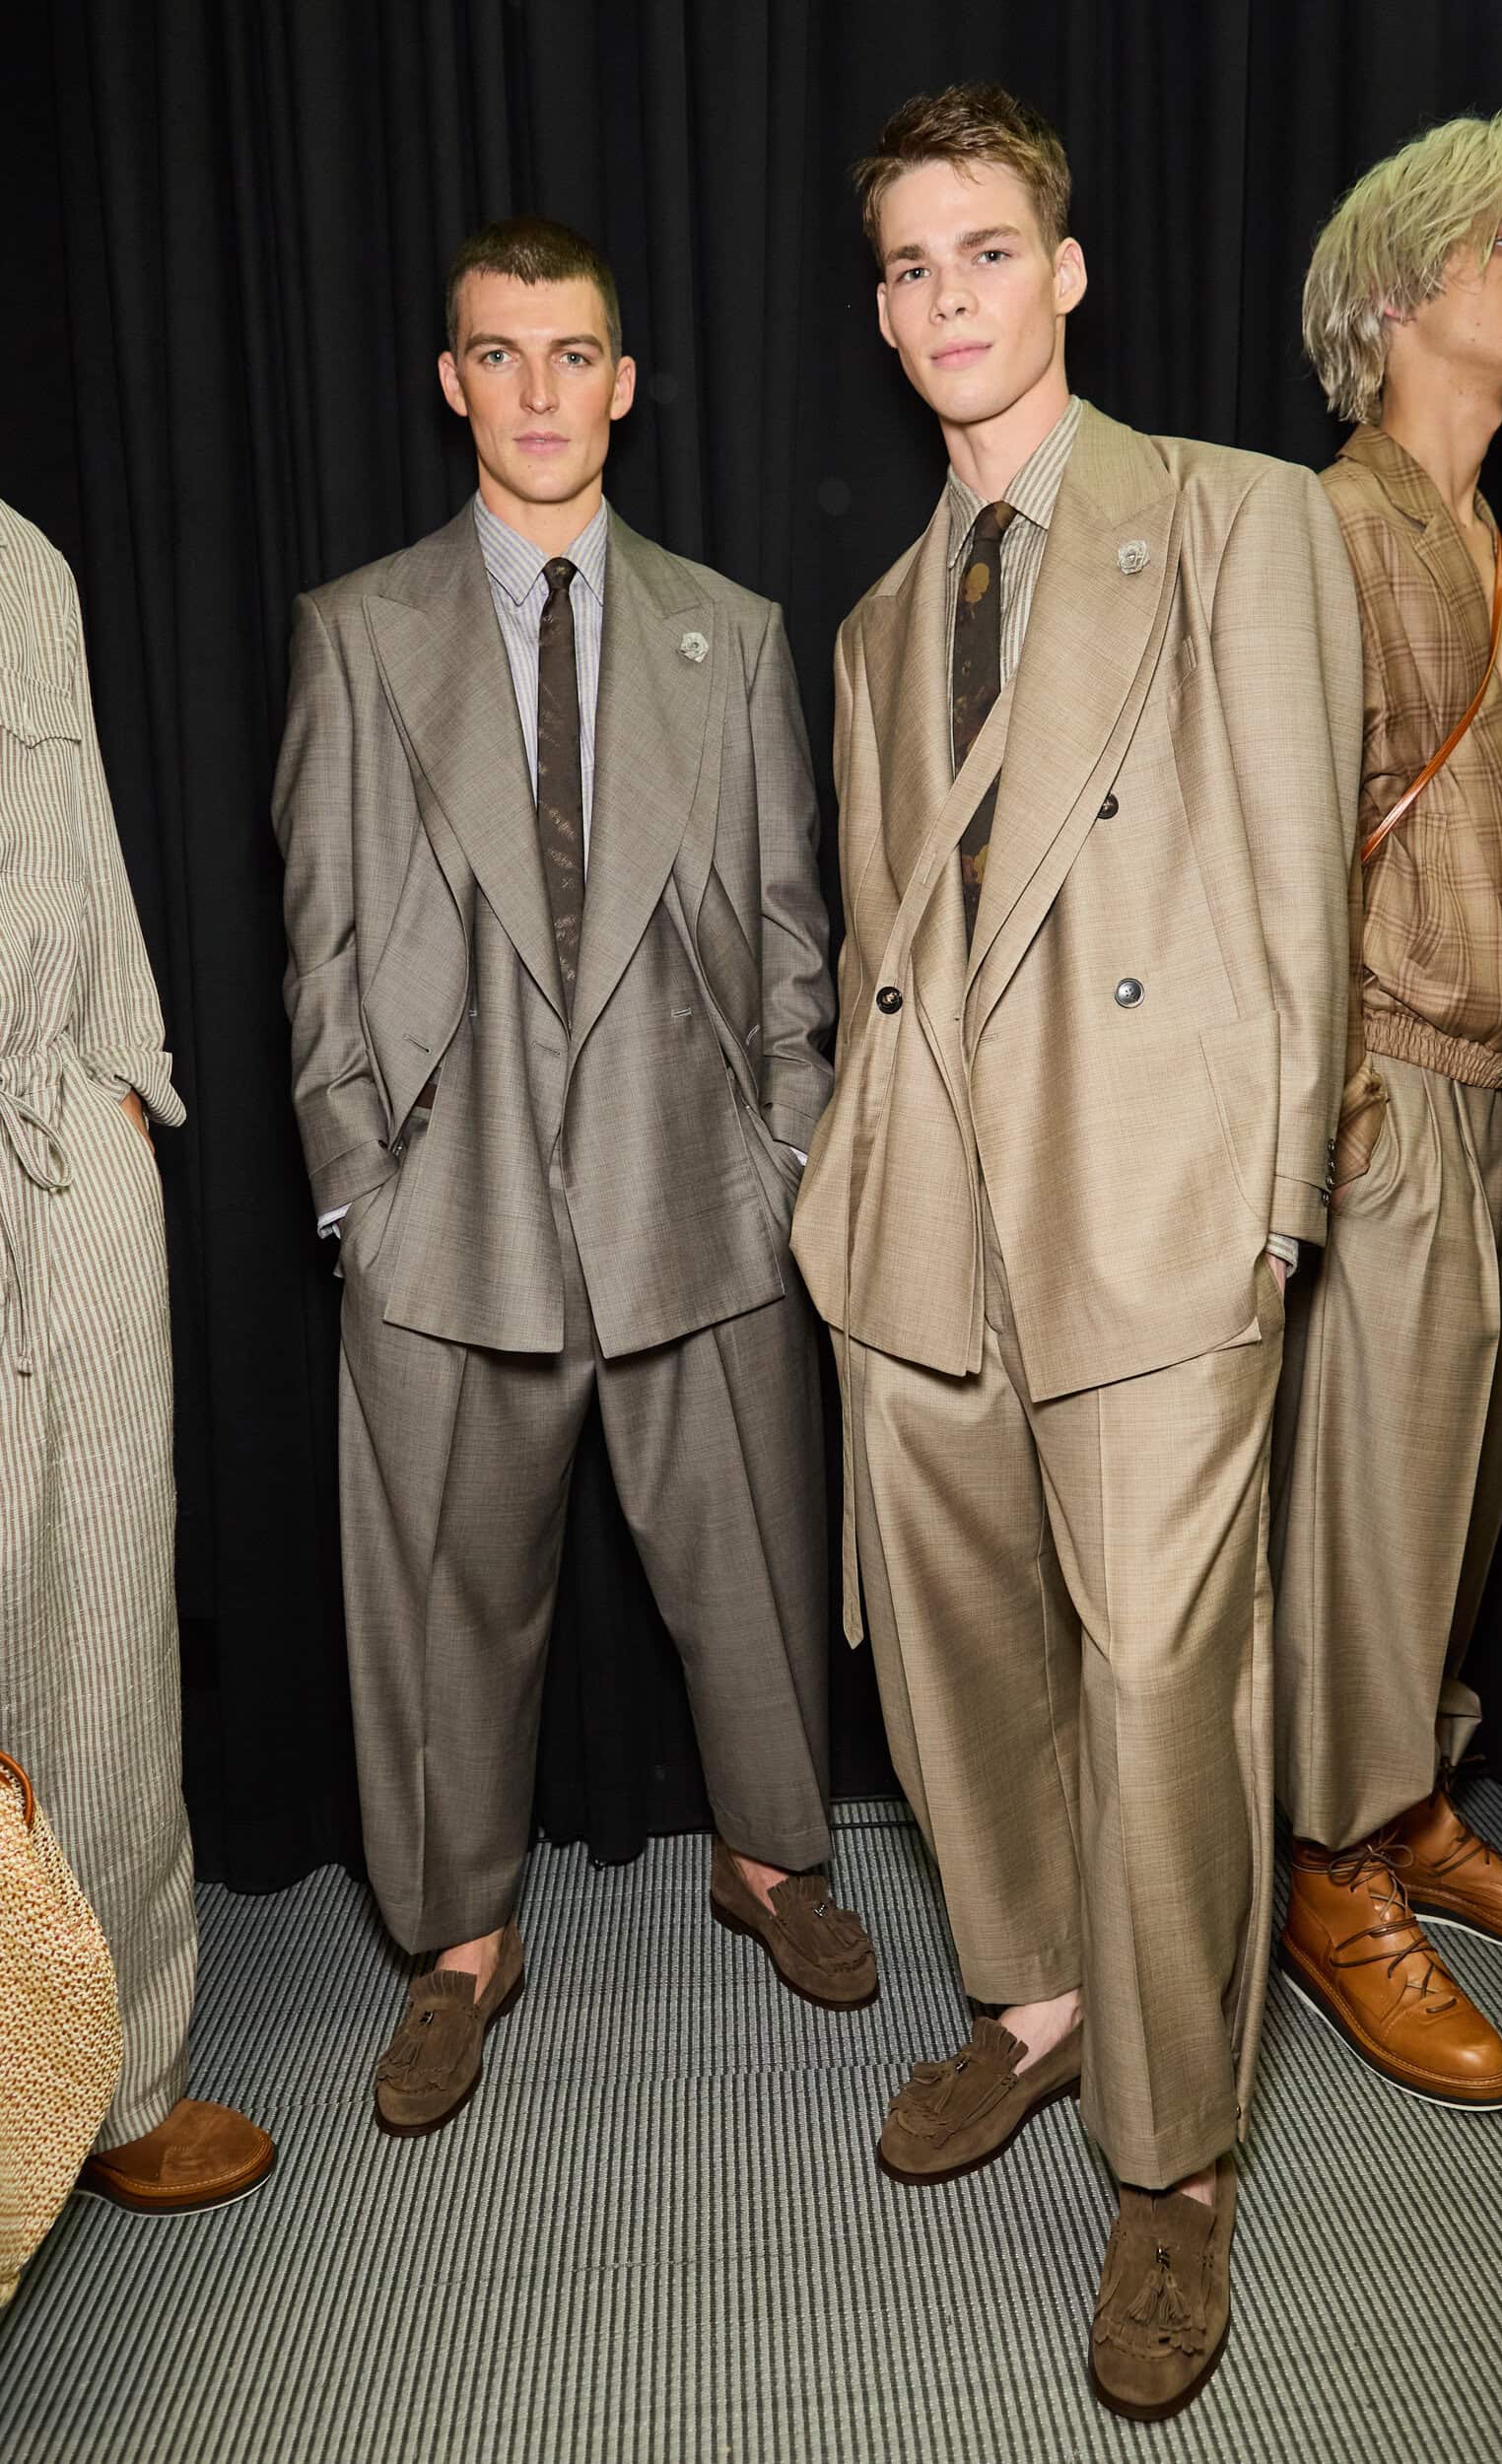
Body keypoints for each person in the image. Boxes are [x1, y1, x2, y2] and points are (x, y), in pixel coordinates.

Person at [789, 87, 1360, 2422]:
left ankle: (1176, 2154)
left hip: (1153, 1199)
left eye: (988, 250)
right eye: (911, 265)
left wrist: (1278, 1207)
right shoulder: (874, 626)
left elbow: (1304, 885)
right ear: (883, 308)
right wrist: (846, 1194)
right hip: (927, 1222)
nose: (949, 298)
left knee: (1159, 1695)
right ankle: (1036, 2001)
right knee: (958, 1667)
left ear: (1070, 269)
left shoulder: (1232, 516)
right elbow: (880, 950)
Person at [273, 216, 875, 2139]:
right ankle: (459, 1942)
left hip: (700, 1192)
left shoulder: (733, 632)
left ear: (623, 382)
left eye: (573, 353)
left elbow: (796, 937)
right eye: (499, 353)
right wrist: (356, 1191)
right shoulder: (358, 631)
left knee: (754, 1564)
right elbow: (319, 941)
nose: (539, 390)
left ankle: (770, 1859)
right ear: (451, 380)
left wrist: (790, 1158)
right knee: (440, 1595)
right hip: (444, 1215)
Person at [1272, 113, 1502, 2112]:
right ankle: (1329, 1866)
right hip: (1392, 1086)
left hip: (1499, 1098)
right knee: (1368, 1513)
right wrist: (1335, 1114)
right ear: (1398, 289)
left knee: (1455, 1500)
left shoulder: (1485, 547)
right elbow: (1286, 851)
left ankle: (1407, 1802)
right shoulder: (1333, 532)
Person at [0, 500, 274, 2214]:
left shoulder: (24, 562)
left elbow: (82, 844)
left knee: (104, 1625)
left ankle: (118, 2078)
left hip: (59, 1143)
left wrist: (121, 1083)